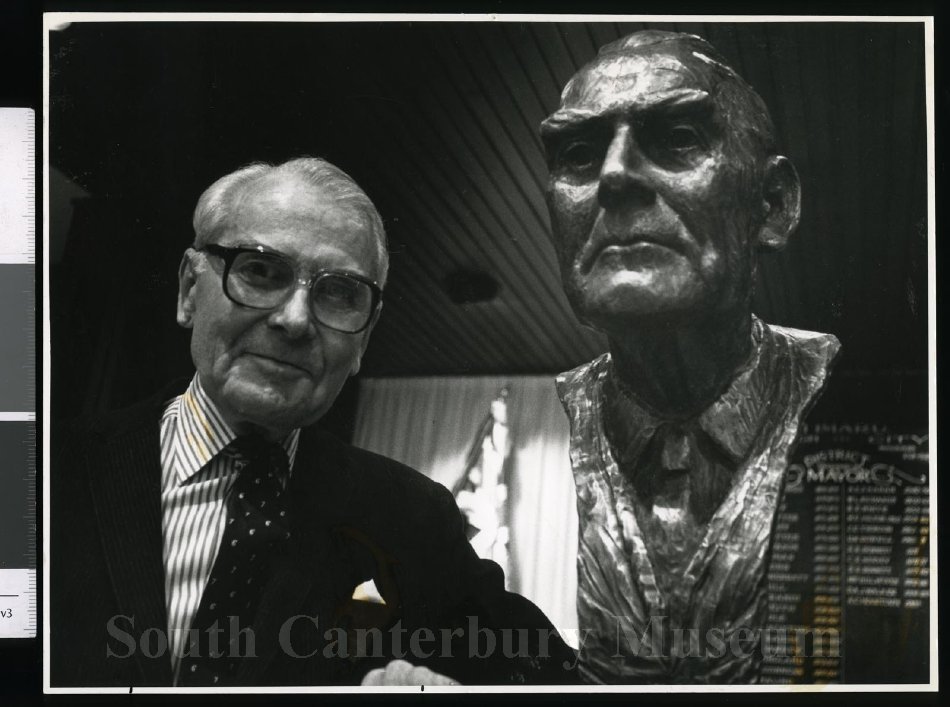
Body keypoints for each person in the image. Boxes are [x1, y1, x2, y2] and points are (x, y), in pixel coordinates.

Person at [50, 157, 575, 687]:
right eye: (260, 271)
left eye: (339, 293)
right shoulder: (42, 472)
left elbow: (555, 675)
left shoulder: (413, 519)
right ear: (189, 289)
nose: (295, 319)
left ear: (363, 340)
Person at [539, 31, 840, 683]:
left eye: (676, 138)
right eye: (579, 153)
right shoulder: (578, 407)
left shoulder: (835, 394)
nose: (614, 177)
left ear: (773, 204)